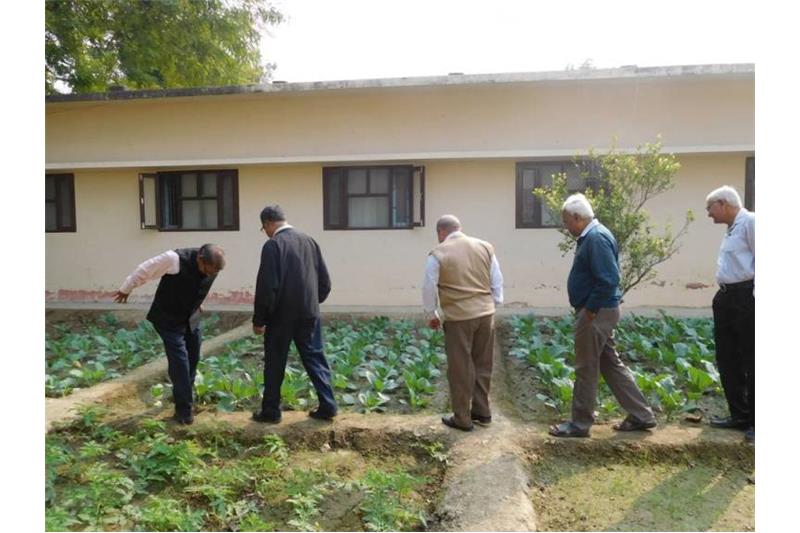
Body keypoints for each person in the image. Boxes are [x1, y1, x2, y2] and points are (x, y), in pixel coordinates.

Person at [549, 194, 656, 438]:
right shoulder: (594, 236)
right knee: (611, 364)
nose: (566, 227)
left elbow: (609, 279)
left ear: (578, 217)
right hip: (600, 311)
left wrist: (591, 310)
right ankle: (642, 415)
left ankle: (579, 424)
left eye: (567, 222)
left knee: (586, 367)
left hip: (596, 312)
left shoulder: (595, 238)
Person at [114, 244, 226, 425]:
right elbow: (145, 270)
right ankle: (184, 412)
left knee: (193, 358)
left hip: (191, 317)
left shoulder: (212, 267)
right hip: (168, 318)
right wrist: (126, 289)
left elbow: (199, 285)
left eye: (213, 272)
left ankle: (183, 398)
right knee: (180, 362)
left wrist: (197, 302)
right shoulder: (173, 259)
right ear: (200, 259)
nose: (209, 275)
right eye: (208, 270)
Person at [251, 205, 337, 424]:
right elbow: (324, 281)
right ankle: (328, 405)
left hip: (281, 316)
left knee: (275, 362)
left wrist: (259, 320)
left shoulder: (273, 246)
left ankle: (271, 411)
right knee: (315, 357)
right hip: (309, 312)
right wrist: (312, 302)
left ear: (269, 223)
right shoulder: (309, 240)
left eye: (264, 228)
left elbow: (267, 286)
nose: (266, 232)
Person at [422, 214, 504, 431]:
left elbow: (429, 286)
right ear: (459, 228)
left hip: (458, 317)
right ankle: (482, 412)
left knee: (459, 368)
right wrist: (492, 304)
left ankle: (462, 417)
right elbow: (497, 280)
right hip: (486, 314)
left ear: (441, 232)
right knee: (483, 364)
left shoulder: (438, 254)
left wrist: (432, 314)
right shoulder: (485, 247)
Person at [705, 185, 755, 443]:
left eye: (710, 208)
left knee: (753, 359)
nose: (708, 214)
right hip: (726, 297)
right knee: (727, 358)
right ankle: (740, 415)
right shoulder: (731, 228)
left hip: (747, 297)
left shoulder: (751, 222)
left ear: (723, 203)